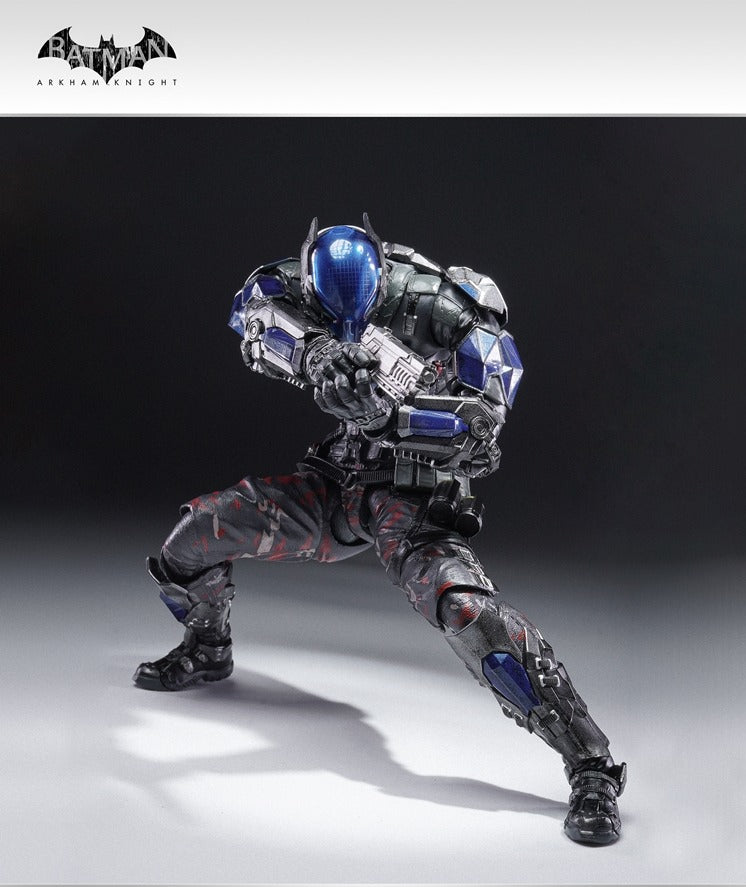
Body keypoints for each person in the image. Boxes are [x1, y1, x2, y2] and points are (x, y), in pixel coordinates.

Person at [134, 215, 626, 845]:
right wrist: (315, 354)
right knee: (199, 532)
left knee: (467, 612)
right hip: (336, 486)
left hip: (410, 498)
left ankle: (591, 766)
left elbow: (482, 431)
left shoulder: (446, 307)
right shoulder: (305, 286)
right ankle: (208, 647)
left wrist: (389, 418)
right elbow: (252, 311)